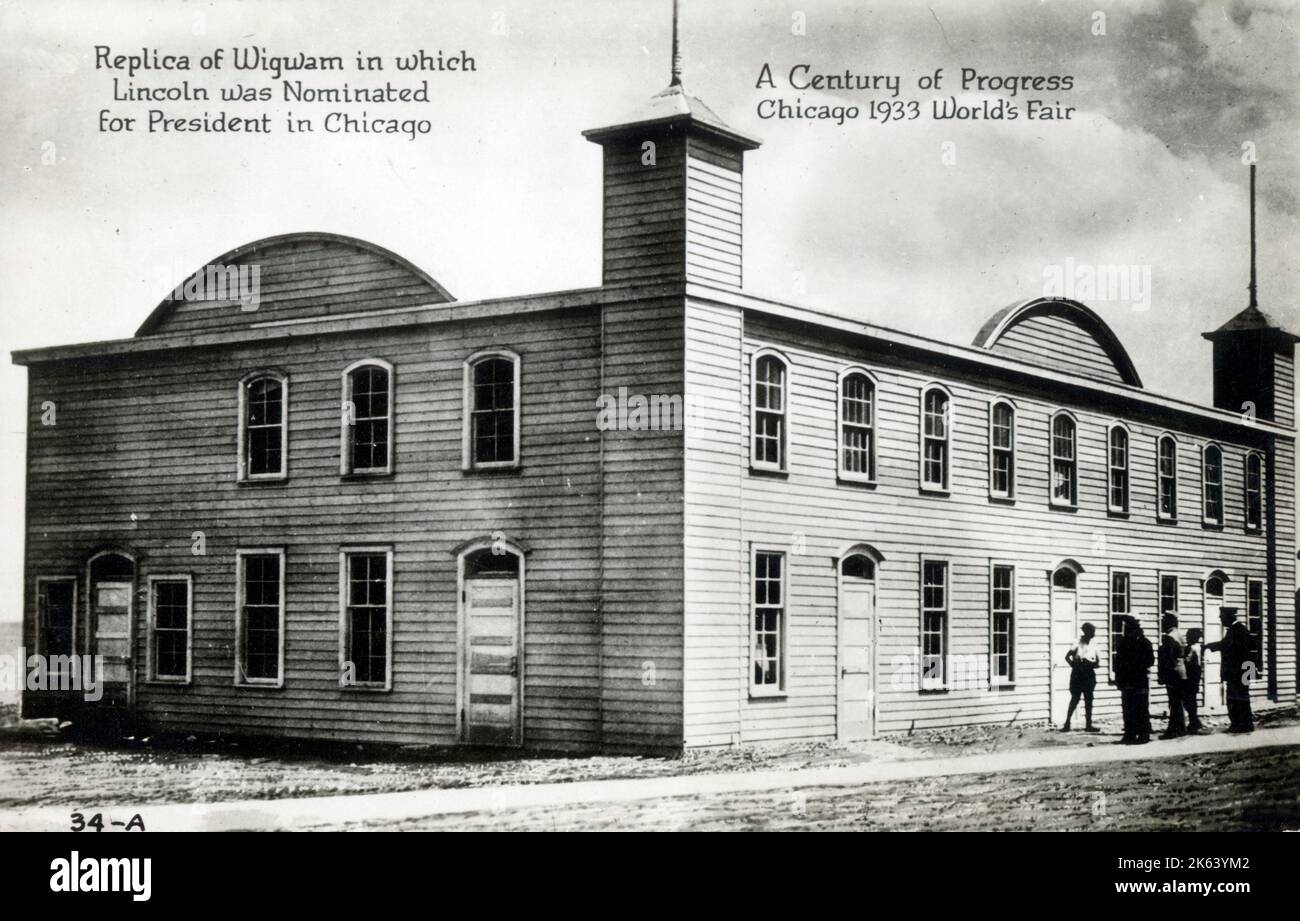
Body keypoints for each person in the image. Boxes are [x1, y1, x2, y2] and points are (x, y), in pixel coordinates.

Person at [1205, 607, 1255, 733]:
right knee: (1240, 697)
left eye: (1222, 618)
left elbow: (1228, 646)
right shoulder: (1237, 629)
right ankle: (1243, 724)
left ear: (1229, 617)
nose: (1221, 620)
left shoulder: (1238, 630)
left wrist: (1208, 646)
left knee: (1236, 697)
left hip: (1239, 671)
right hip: (1243, 670)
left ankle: (1241, 724)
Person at [1114, 615, 1153, 744]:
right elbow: (1118, 662)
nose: (1128, 629)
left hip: (1139, 679)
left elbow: (1150, 660)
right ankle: (1129, 734)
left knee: (1141, 708)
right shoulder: (1122, 642)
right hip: (1127, 680)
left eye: (1130, 626)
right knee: (1128, 708)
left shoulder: (1144, 642)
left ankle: (1143, 734)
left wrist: (1137, 665)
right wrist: (1118, 678)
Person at [1062, 622, 1100, 732]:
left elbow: (1098, 662)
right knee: (1075, 698)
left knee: (1089, 699)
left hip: (1089, 673)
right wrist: (1074, 665)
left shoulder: (1094, 644)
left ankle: (1089, 725)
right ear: (1085, 632)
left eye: (1093, 632)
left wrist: (1091, 663)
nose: (1093, 634)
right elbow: (1067, 656)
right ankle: (1067, 723)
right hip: (1078, 673)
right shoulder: (1077, 642)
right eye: (1091, 632)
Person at [1157, 613, 1187, 739]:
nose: (1162, 623)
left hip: (1173, 672)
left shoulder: (1169, 637)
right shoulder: (1180, 635)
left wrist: (1162, 675)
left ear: (1170, 622)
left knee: (1174, 702)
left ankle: (1173, 730)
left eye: (1164, 621)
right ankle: (1181, 728)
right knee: (1178, 702)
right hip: (1181, 671)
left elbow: (1167, 658)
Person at [1183, 627, 1204, 733]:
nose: (1186, 638)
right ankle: (1194, 722)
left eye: (1188, 636)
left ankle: (1194, 722)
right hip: (1195, 676)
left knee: (1189, 700)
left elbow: (1188, 660)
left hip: (1191, 676)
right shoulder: (1196, 647)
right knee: (1191, 700)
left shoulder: (1193, 648)